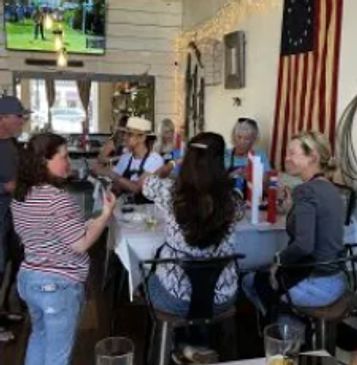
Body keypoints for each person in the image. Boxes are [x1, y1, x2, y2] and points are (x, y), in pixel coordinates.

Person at [11, 133, 116, 365]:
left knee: (39, 338)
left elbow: (45, 233)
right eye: (64, 156)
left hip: (30, 278)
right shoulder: (56, 199)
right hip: (57, 285)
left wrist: (85, 224)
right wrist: (104, 216)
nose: (68, 162)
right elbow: (81, 243)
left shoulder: (21, 195)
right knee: (58, 356)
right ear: (43, 161)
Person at [141, 132, 244, 362]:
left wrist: (169, 165)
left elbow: (145, 183)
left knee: (146, 281)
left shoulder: (170, 193)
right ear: (221, 162)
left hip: (175, 298)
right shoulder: (234, 199)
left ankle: (182, 345)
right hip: (222, 297)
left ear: (188, 159)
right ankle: (196, 345)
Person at [243, 131, 347, 327]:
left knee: (250, 279)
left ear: (313, 157)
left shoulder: (305, 190)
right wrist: (292, 208)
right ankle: (294, 325)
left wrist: (277, 260)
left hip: (317, 284)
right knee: (270, 281)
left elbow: (304, 246)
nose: (286, 158)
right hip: (338, 278)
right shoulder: (330, 188)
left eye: (292, 153)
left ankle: (285, 331)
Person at [0, 95, 30, 342]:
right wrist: (5, 187)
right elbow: (8, 183)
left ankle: (3, 311)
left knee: (14, 262)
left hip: (12, 218)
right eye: (19, 116)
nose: (23, 120)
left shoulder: (11, 144)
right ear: (3, 118)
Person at [92, 117, 164, 204]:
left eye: (130, 134)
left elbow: (137, 188)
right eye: (124, 133)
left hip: (149, 213)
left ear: (142, 138)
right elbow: (117, 186)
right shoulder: (126, 158)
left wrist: (110, 173)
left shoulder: (155, 160)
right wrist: (105, 184)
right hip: (130, 211)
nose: (124, 137)